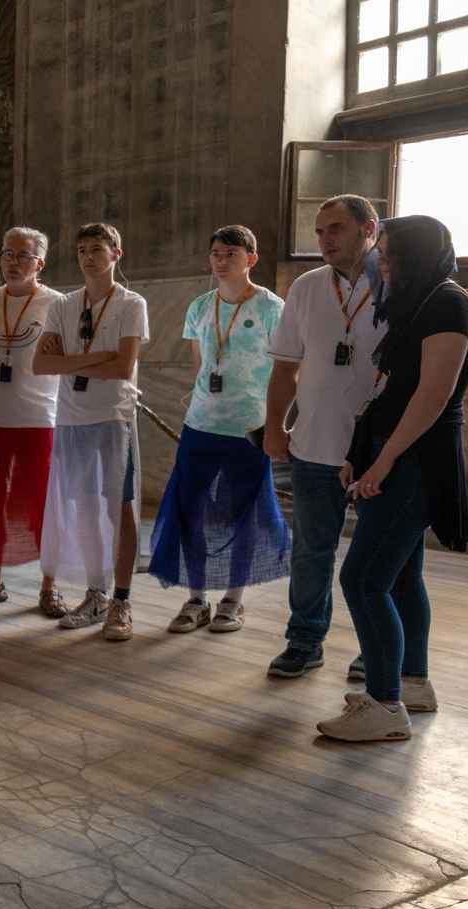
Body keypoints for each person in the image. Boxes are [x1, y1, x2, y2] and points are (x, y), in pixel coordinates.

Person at [318, 215, 468, 742]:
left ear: (417, 253)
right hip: (393, 455)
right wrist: (357, 452)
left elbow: (432, 396)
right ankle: (412, 683)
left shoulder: (449, 304)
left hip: (414, 462)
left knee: (362, 579)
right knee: (402, 578)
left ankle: (384, 705)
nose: (381, 263)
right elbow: (387, 390)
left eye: (389, 254)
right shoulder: (420, 304)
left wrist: (384, 461)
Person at [264, 195, 386, 679]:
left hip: (377, 451)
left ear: (368, 227)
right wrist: (275, 427)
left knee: (378, 557)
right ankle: (305, 638)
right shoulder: (308, 286)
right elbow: (285, 367)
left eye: (335, 228)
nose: (325, 240)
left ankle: (375, 646)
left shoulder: (397, 282)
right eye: (319, 231)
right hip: (314, 444)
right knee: (312, 549)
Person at [149, 225, 290, 632]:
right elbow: (200, 364)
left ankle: (233, 600)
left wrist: (277, 422)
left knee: (243, 514)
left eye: (230, 253)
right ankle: (197, 598)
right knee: (189, 509)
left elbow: (287, 369)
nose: (220, 260)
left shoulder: (270, 308)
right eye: (215, 253)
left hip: (250, 427)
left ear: (251, 258)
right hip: (201, 425)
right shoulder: (199, 306)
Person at [33, 223, 149, 641]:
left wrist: (72, 359)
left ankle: (122, 598)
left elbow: (123, 368)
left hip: (113, 417)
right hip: (71, 417)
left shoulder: (131, 303)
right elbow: (40, 366)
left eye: (97, 249)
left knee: (118, 507)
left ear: (116, 253)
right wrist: (96, 357)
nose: (88, 257)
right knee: (83, 508)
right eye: (82, 249)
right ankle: (95, 593)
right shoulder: (63, 305)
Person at [0, 227, 67, 617]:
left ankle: (49, 586)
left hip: (40, 418)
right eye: (7, 254)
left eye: (23, 255)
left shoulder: (59, 304)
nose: (13, 262)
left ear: (40, 262)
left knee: (42, 505)